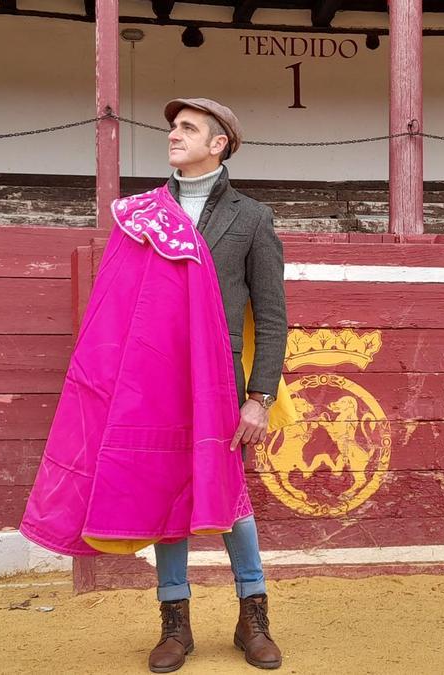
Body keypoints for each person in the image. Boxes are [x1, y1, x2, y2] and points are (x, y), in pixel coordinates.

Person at [147, 98, 287, 673]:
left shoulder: (252, 218)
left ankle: (253, 616)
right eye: (173, 128)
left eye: (187, 128)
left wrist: (260, 398)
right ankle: (174, 622)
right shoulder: (145, 213)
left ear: (218, 143)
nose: (173, 135)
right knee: (167, 493)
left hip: (222, 378)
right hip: (158, 375)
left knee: (230, 495)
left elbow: (272, 316)